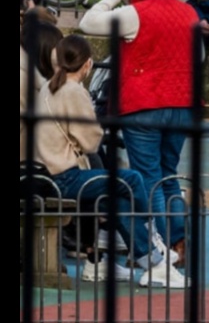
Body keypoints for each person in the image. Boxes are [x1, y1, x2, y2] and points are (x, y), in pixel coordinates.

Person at [79, 0, 198, 285]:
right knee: (167, 174)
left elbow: (89, 22)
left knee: (147, 177)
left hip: (144, 103)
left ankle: (160, 252)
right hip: (183, 101)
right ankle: (179, 239)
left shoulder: (134, 13)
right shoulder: (187, 12)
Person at [38, 35, 167, 284]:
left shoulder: (49, 86)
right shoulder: (75, 91)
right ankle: (150, 232)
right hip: (65, 176)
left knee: (114, 200)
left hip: (48, 173)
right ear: (88, 64)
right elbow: (91, 142)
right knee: (131, 178)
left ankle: (146, 260)